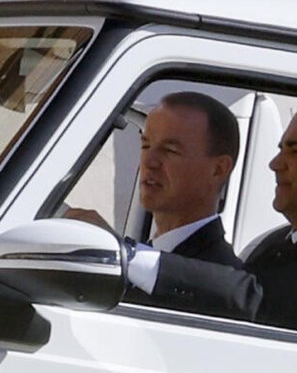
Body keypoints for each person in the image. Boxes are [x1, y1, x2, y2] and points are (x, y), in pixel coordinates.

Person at [136, 102, 297, 339]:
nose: (275, 164)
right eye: (280, 150)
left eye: (296, 151)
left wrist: (133, 260)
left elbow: (259, 302)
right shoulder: (285, 240)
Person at [79, 92, 244, 312]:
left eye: (170, 150)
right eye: (145, 146)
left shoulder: (218, 285)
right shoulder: (145, 255)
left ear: (218, 169)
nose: (149, 161)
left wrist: (117, 251)